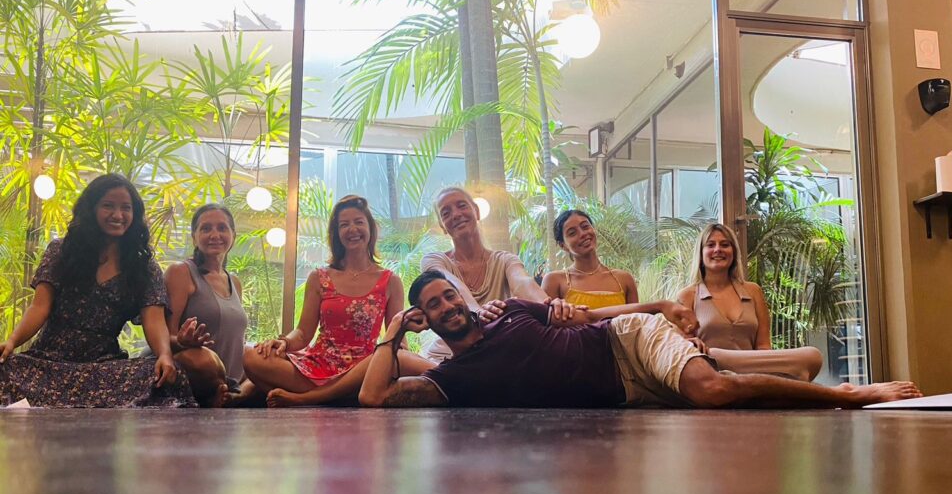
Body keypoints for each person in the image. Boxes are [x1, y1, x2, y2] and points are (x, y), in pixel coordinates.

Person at [358, 269, 921, 409]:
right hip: (627, 394)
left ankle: (852, 396)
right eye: (433, 306)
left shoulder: (512, 312)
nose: (448, 306)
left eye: (450, 296)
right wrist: (390, 332)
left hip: (625, 342)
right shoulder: (448, 377)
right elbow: (372, 399)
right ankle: (808, 376)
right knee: (722, 396)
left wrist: (655, 307)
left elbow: (587, 320)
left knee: (713, 392)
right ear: (424, 320)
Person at [0, 174, 194, 408]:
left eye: (126, 208)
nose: (118, 215)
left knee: (169, 375)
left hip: (103, 367)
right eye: (108, 206)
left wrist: (164, 354)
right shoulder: (62, 251)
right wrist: (10, 342)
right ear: (91, 209)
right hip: (48, 362)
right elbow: (39, 308)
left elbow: (154, 322)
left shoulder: (143, 266)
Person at [243, 195, 431, 406]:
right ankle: (334, 398)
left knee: (404, 363)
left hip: (363, 371)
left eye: (359, 222)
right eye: (344, 225)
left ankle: (308, 400)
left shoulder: (390, 281)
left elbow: (396, 337)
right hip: (318, 365)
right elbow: (303, 333)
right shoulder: (319, 277)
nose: (352, 229)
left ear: (370, 228)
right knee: (251, 356)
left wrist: (400, 359)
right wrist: (284, 342)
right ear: (337, 233)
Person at [420, 186, 575, 358]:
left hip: (496, 350)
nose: (456, 214)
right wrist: (477, 313)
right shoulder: (435, 260)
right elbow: (450, 283)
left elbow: (522, 282)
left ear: (477, 211)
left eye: (462, 205)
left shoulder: (504, 259)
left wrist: (549, 304)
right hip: (448, 355)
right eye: (446, 213)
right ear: (442, 226)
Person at [678, 222, 824, 382]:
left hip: (753, 370)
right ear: (701, 253)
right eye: (710, 245)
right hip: (713, 370)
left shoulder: (753, 291)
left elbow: (763, 347)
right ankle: (787, 380)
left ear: (733, 252)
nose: (718, 249)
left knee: (812, 356)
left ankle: (770, 381)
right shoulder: (688, 296)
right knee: (712, 355)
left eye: (725, 245)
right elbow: (685, 349)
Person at [163, 203, 254, 407]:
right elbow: (163, 337)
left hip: (232, 376)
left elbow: (237, 340)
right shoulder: (180, 272)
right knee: (203, 359)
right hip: (197, 374)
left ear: (233, 235)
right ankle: (225, 395)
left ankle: (234, 395)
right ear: (194, 236)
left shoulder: (235, 281)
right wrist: (184, 342)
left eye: (222, 228)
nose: (215, 234)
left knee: (265, 360)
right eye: (206, 228)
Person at [541, 208, 639, 310]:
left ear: (593, 229)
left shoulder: (624, 279)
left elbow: (636, 322)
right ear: (563, 245)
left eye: (585, 227)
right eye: (572, 233)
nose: (583, 234)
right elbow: (546, 323)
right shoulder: (554, 281)